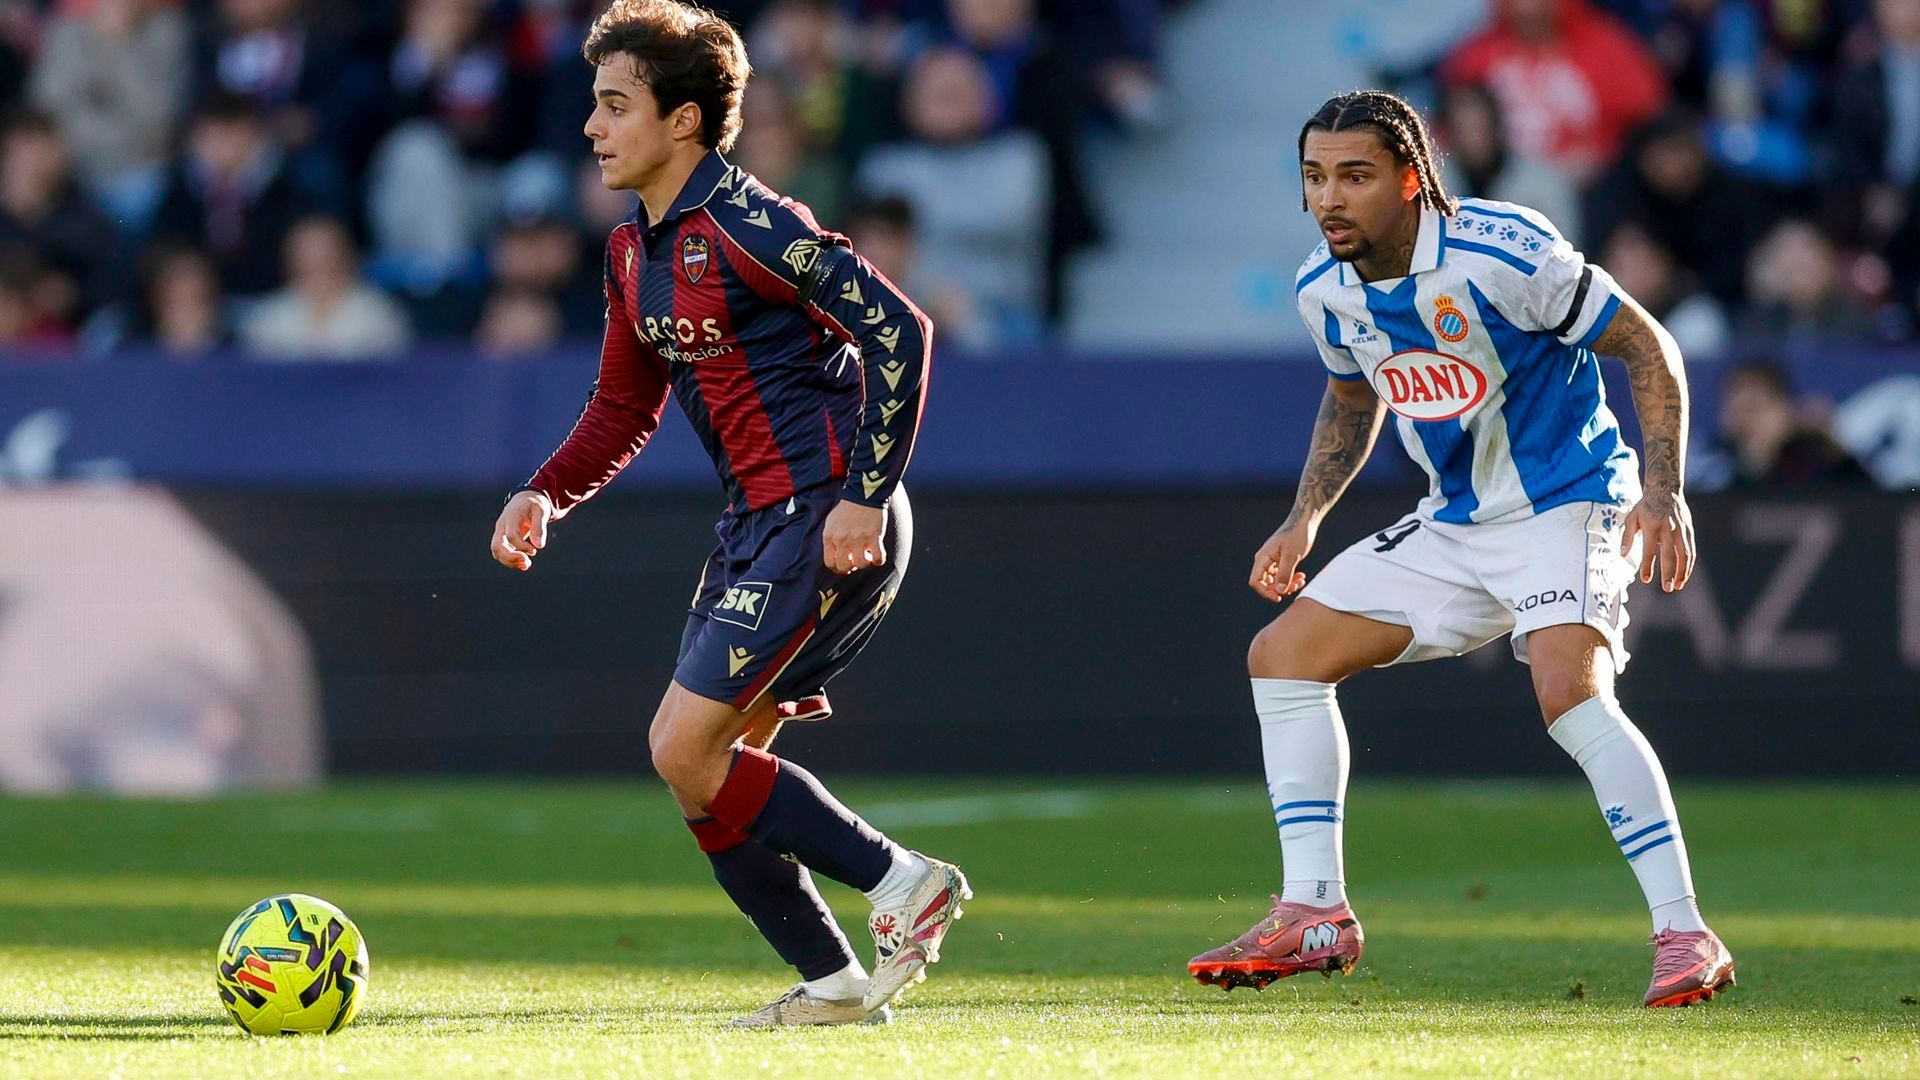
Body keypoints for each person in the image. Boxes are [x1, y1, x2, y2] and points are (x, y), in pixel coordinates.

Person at [1186, 90, 1735, 1009]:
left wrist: (1665, 492)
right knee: (1281, 657)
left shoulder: (1498, 251)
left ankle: (1685, 932)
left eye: (1355, 176)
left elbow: (1648, 347)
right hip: (1456, 524)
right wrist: (1305, 517)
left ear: (1410, 178)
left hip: (1570, 501)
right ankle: (1314, 910)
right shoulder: (1323, 288)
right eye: (1315, 178)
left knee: (1568, 692)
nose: (1331, 200)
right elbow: (1353, 398)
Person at [487, 0, 966, 1029]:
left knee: (682, 750)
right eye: (595, 103)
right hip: (757, 523)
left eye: (616, 105)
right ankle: (837, 985)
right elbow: (622, 406)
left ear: (686, 123)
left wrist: (865, 498)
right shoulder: (631, 252)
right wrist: (544, 491)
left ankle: (901, 884)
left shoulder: (757, 226)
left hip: (824, 514)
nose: (592, 126)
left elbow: (902, 331)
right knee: (700, 773)